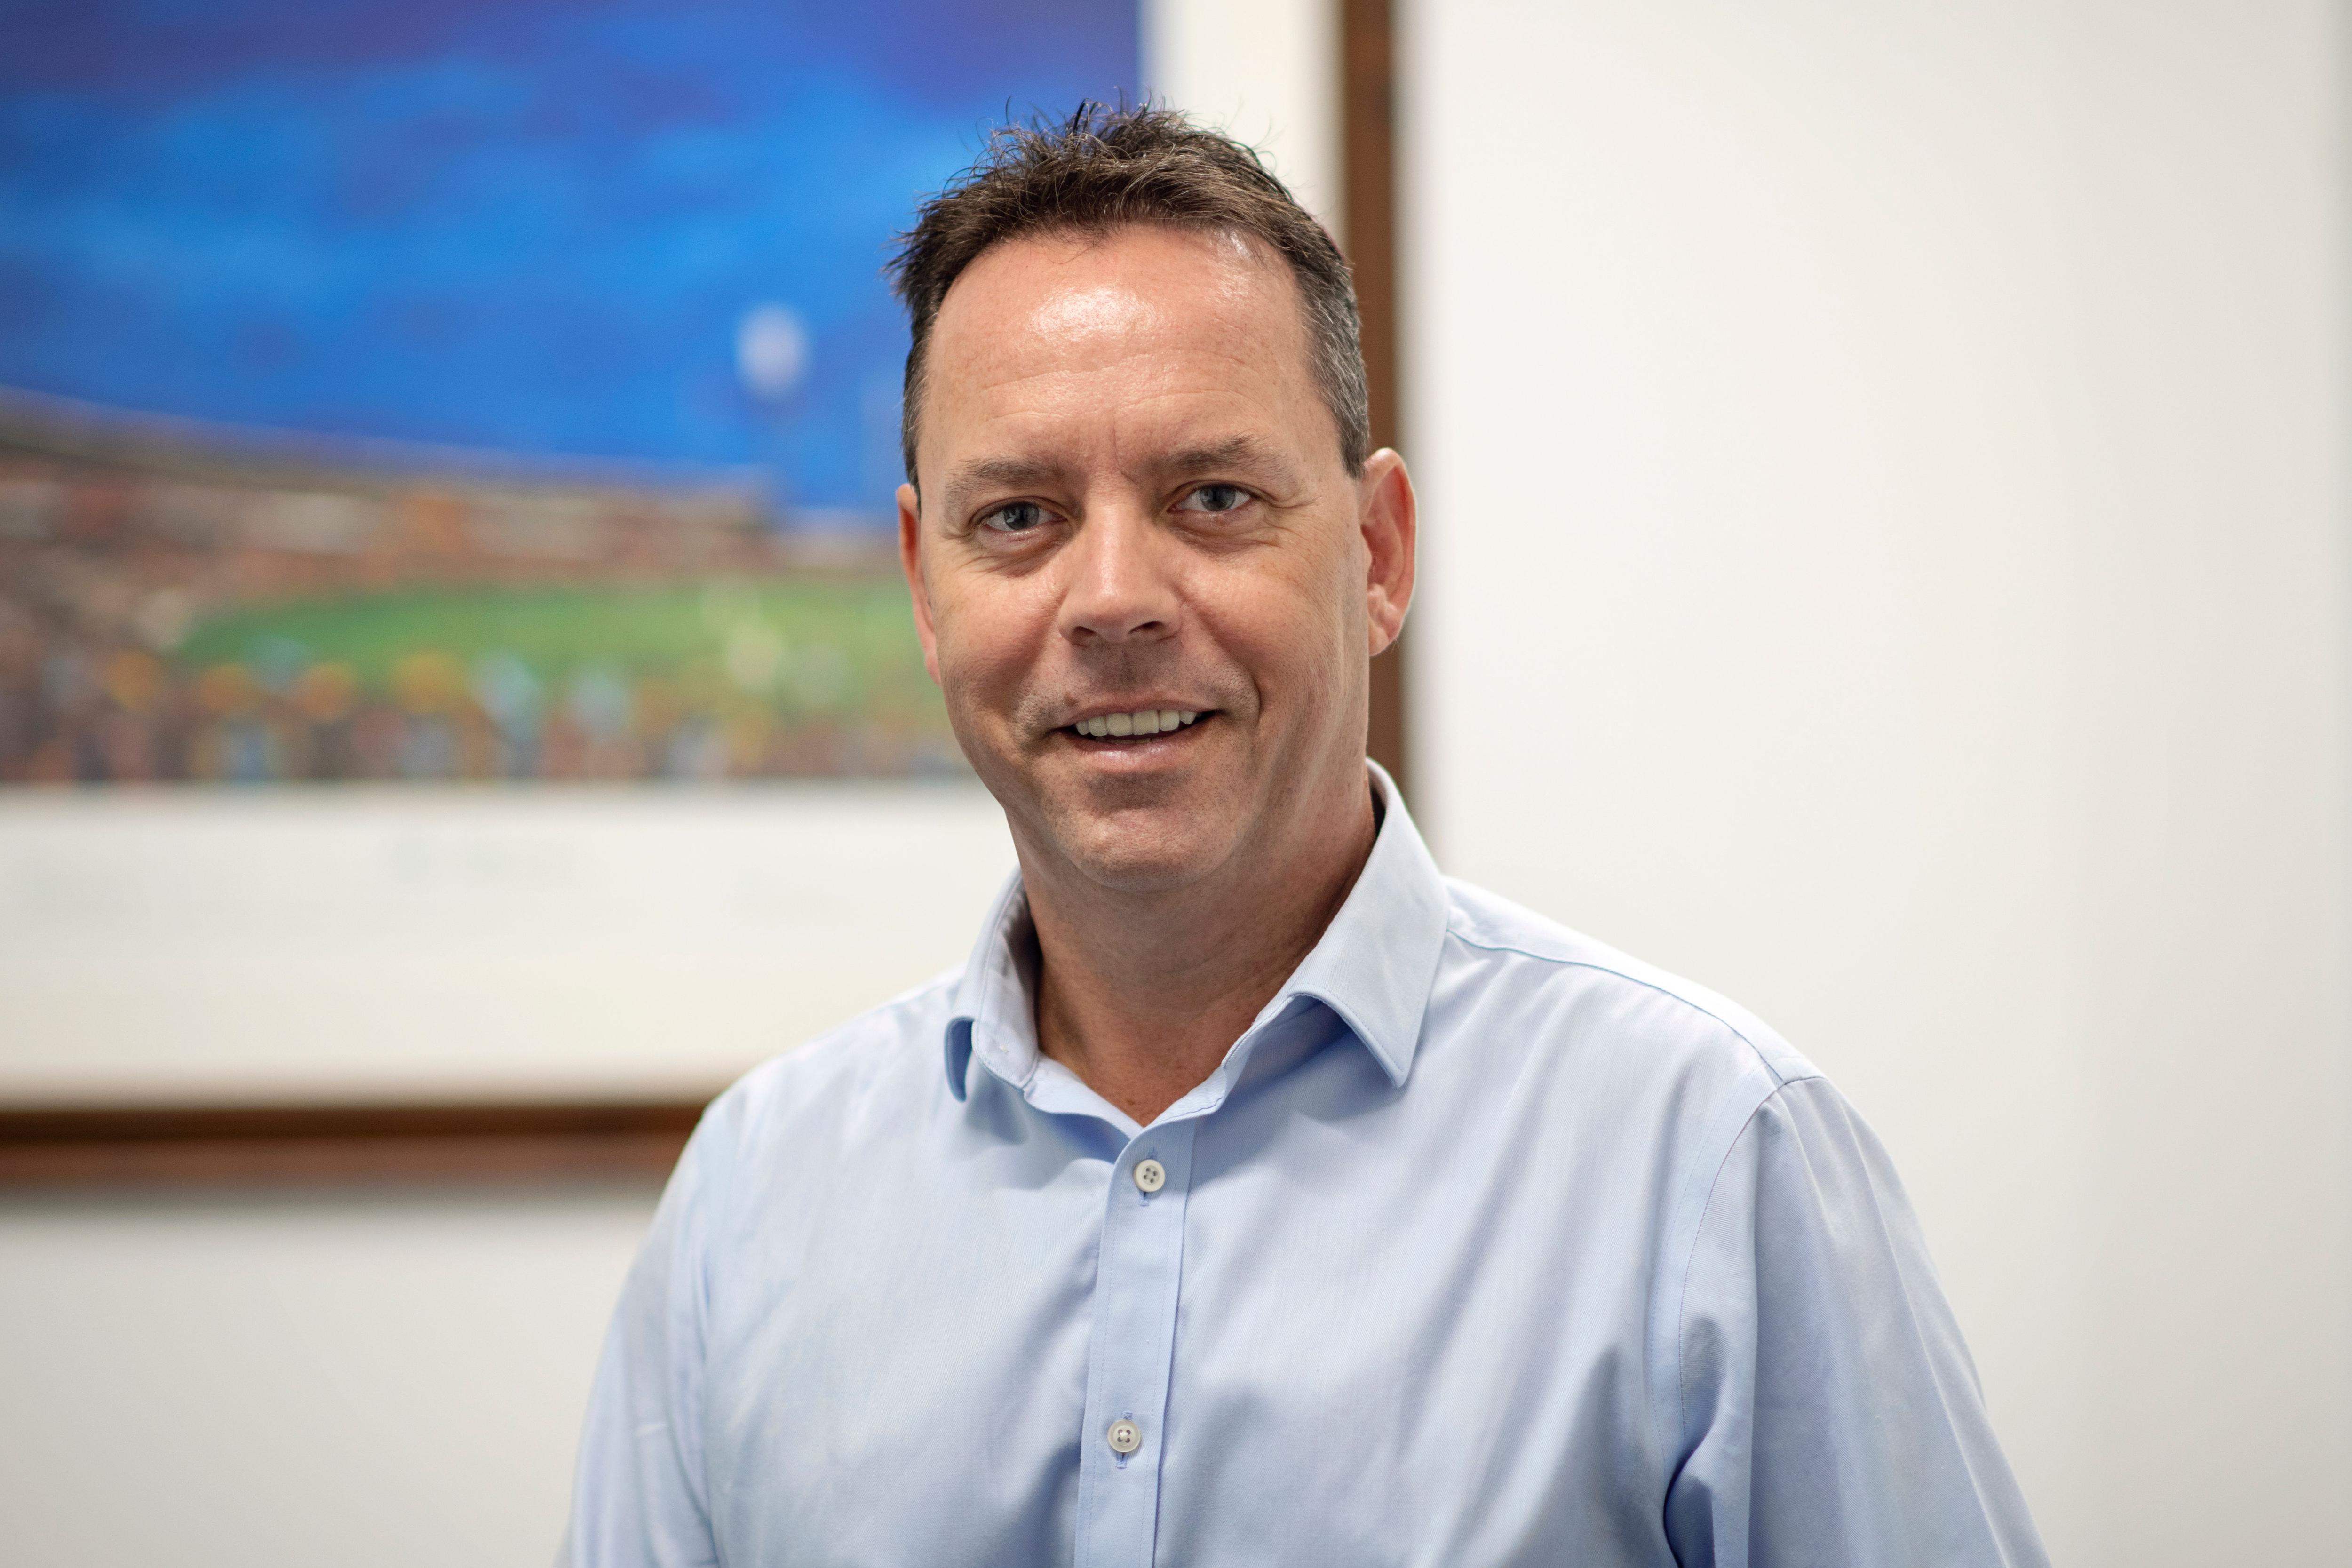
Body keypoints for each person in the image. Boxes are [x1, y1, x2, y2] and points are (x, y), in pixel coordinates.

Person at [564, 104, 2048, 1567]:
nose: (1110, 600)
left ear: (1378, 553)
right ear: (922, 586)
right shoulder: (753, 1205)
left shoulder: (1713, 1165)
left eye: (1213, 498)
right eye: (1018, 517)